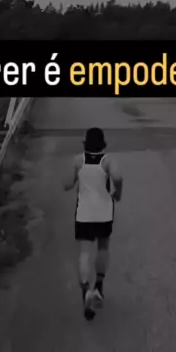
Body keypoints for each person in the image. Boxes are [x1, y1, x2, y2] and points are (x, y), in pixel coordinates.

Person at [64, 127, 123, 320]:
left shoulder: (78, 160)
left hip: (84, 213)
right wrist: (117, 192)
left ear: (86, 143)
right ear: (102, 144)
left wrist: (74, 179)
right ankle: (98, 285)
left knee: (84, 252)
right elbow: (118, 177)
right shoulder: (107, 161)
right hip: (104, 212)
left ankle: (85, 291)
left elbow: (66, 184)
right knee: (103, 247)